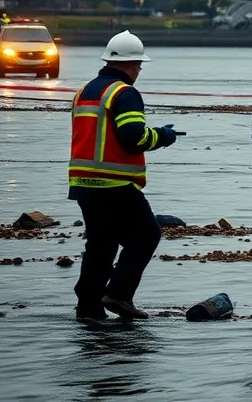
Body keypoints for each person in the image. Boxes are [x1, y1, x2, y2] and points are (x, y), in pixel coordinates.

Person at [69, 30, 177, 321]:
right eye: (139, 65)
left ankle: (88, 308)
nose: (139, 71)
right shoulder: (125, 93)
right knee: (147, 234)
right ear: (130, 65)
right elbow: (133, 138)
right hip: (115, 183)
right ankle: (119, 294)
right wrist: (164, 136)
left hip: (83, 183)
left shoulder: (85, 91)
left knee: (101, 245)